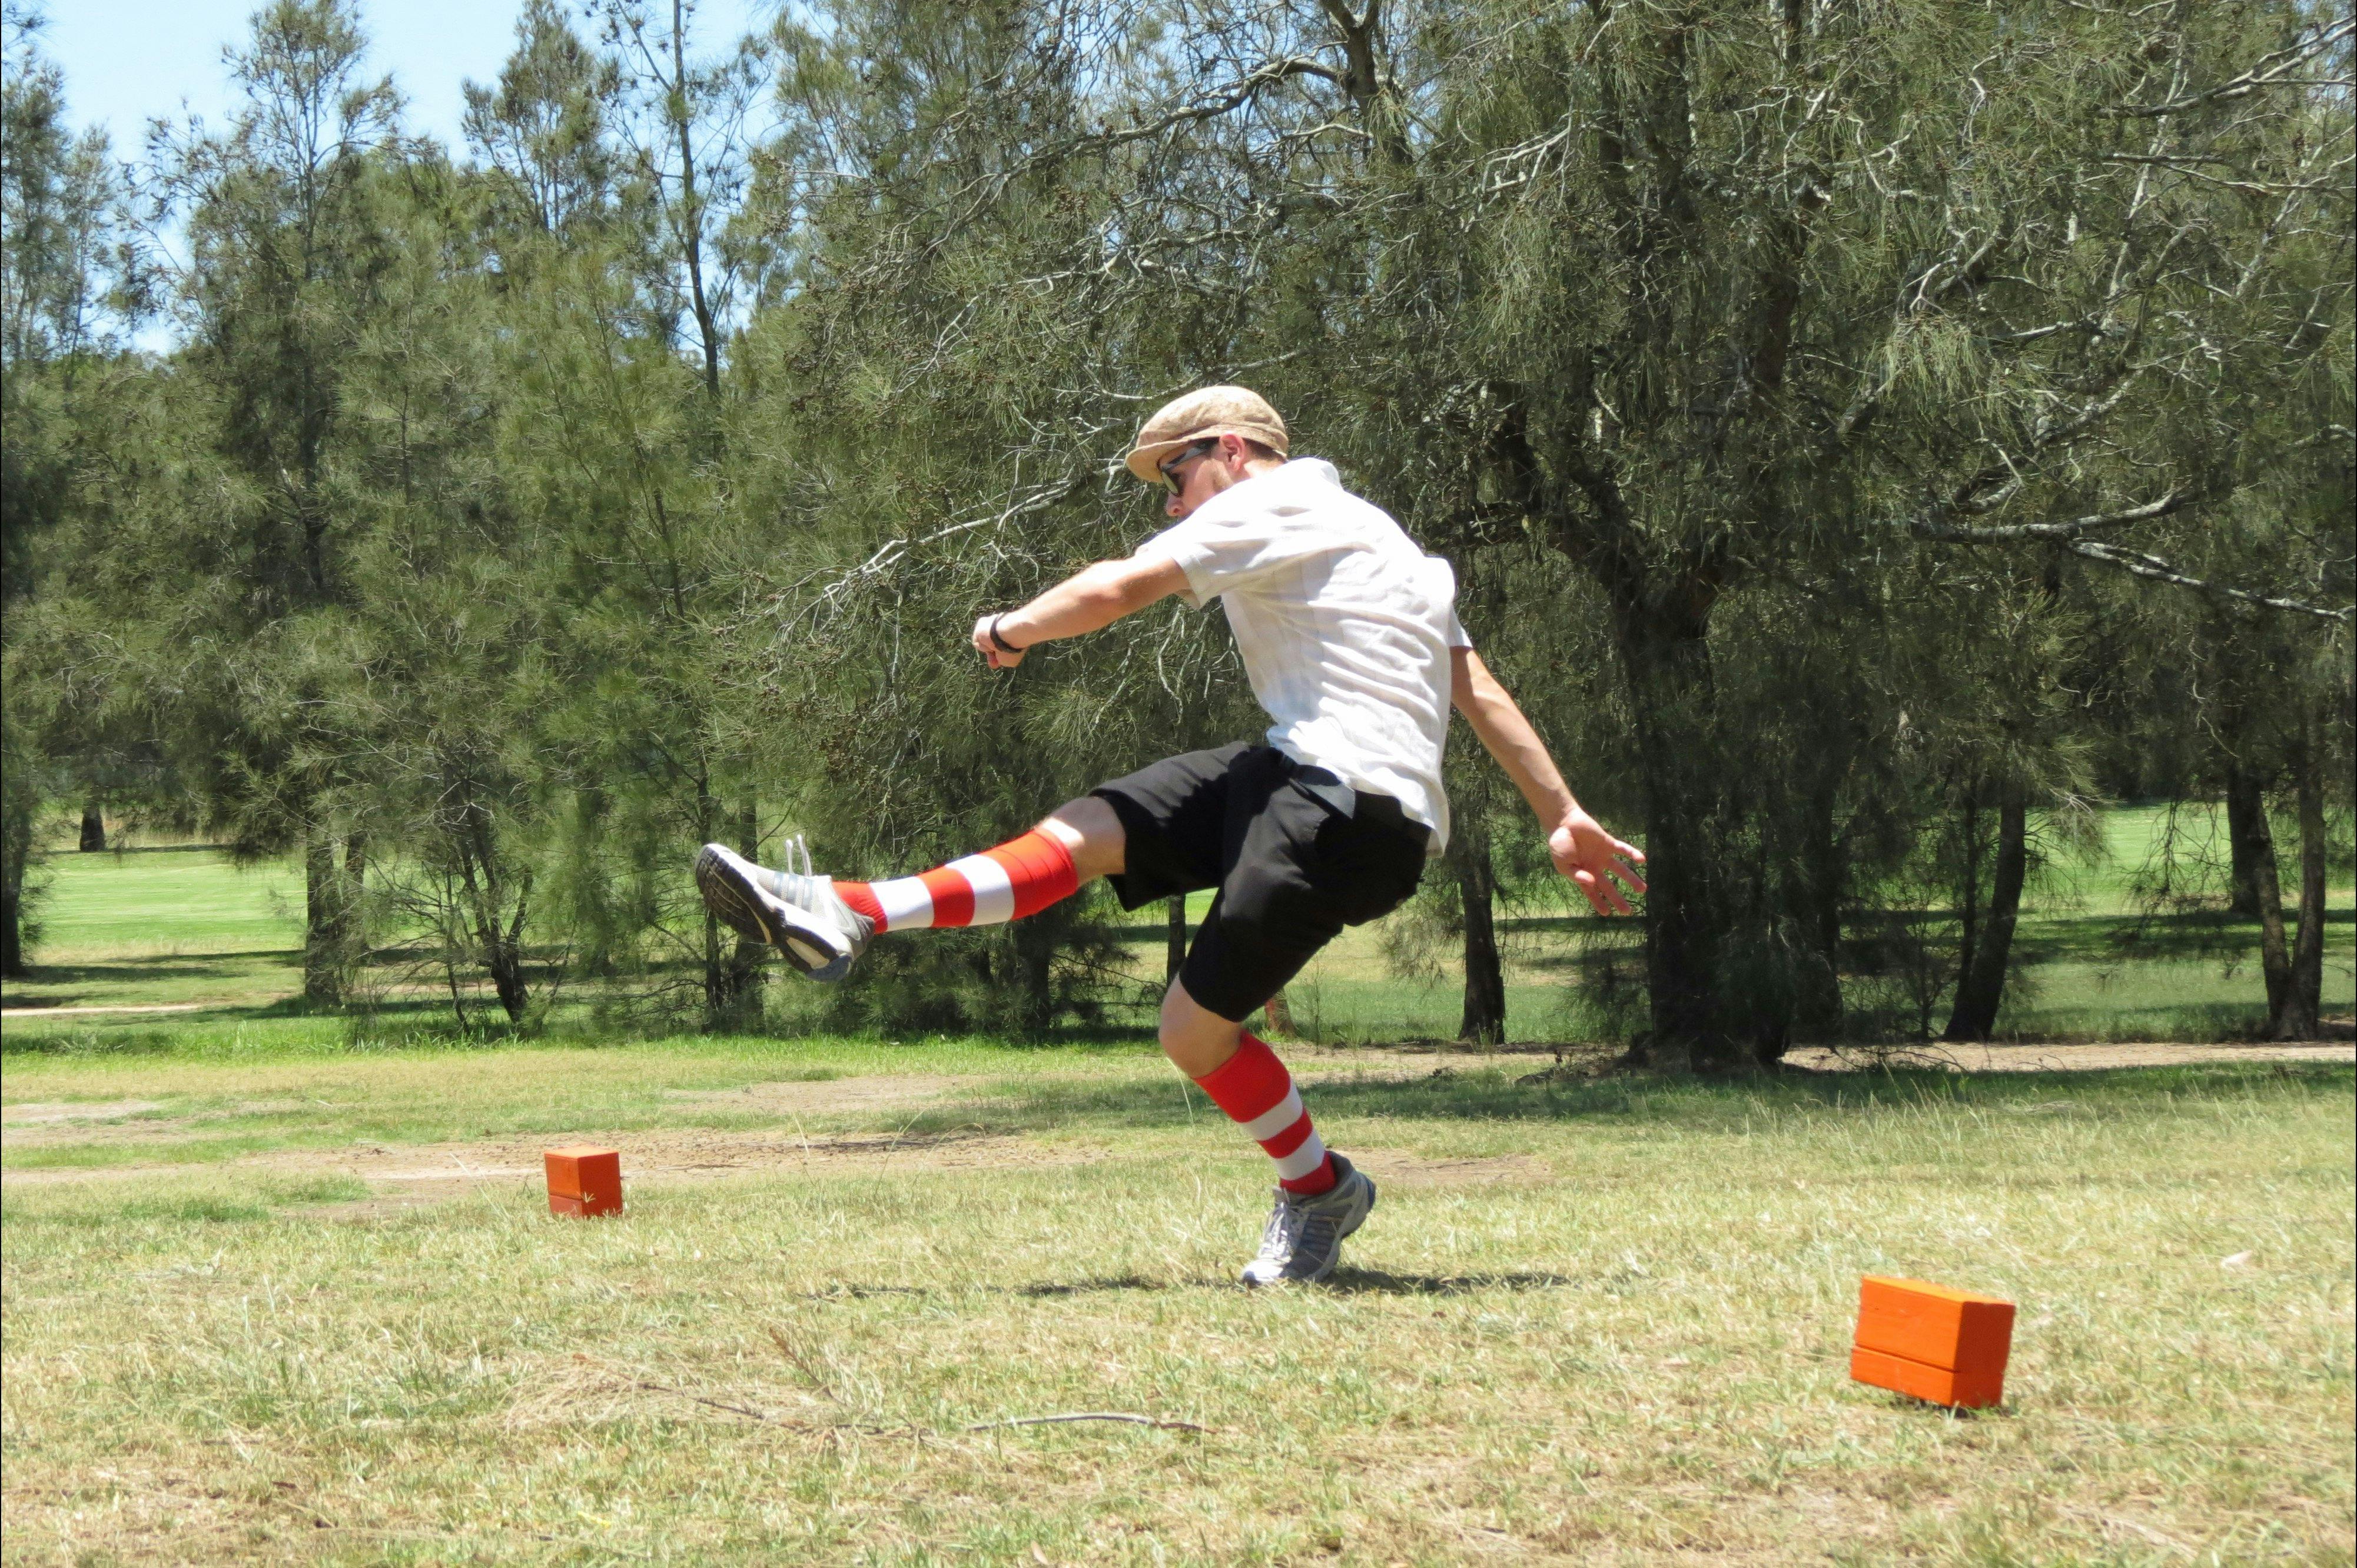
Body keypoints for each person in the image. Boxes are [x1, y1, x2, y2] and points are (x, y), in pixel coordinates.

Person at [696, 386, 1645, 1284]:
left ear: (1232, 452)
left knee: (1192, 1035)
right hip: (1298, 774)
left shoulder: (1273, 502)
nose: (1173, 506)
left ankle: (1321, 1189)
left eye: (1176, 479)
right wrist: (1563, 814)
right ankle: (851, 911)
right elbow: (1473, 687)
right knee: (1087, 829)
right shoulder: (1384, 539)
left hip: (1348, 815)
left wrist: (1010, 628)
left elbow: (1124, 585)